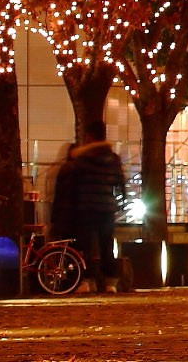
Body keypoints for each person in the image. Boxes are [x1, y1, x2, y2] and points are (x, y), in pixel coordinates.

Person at [57, 122, 126, 293]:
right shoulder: (114, 159)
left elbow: (74, 185)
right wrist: (119, 203)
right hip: (107, 208)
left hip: (86, 208)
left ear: (89, 136)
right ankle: (110, 282)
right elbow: (120, 183)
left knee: (87, 246)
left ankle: (88, 281)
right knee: (106, 245)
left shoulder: (83, 159)